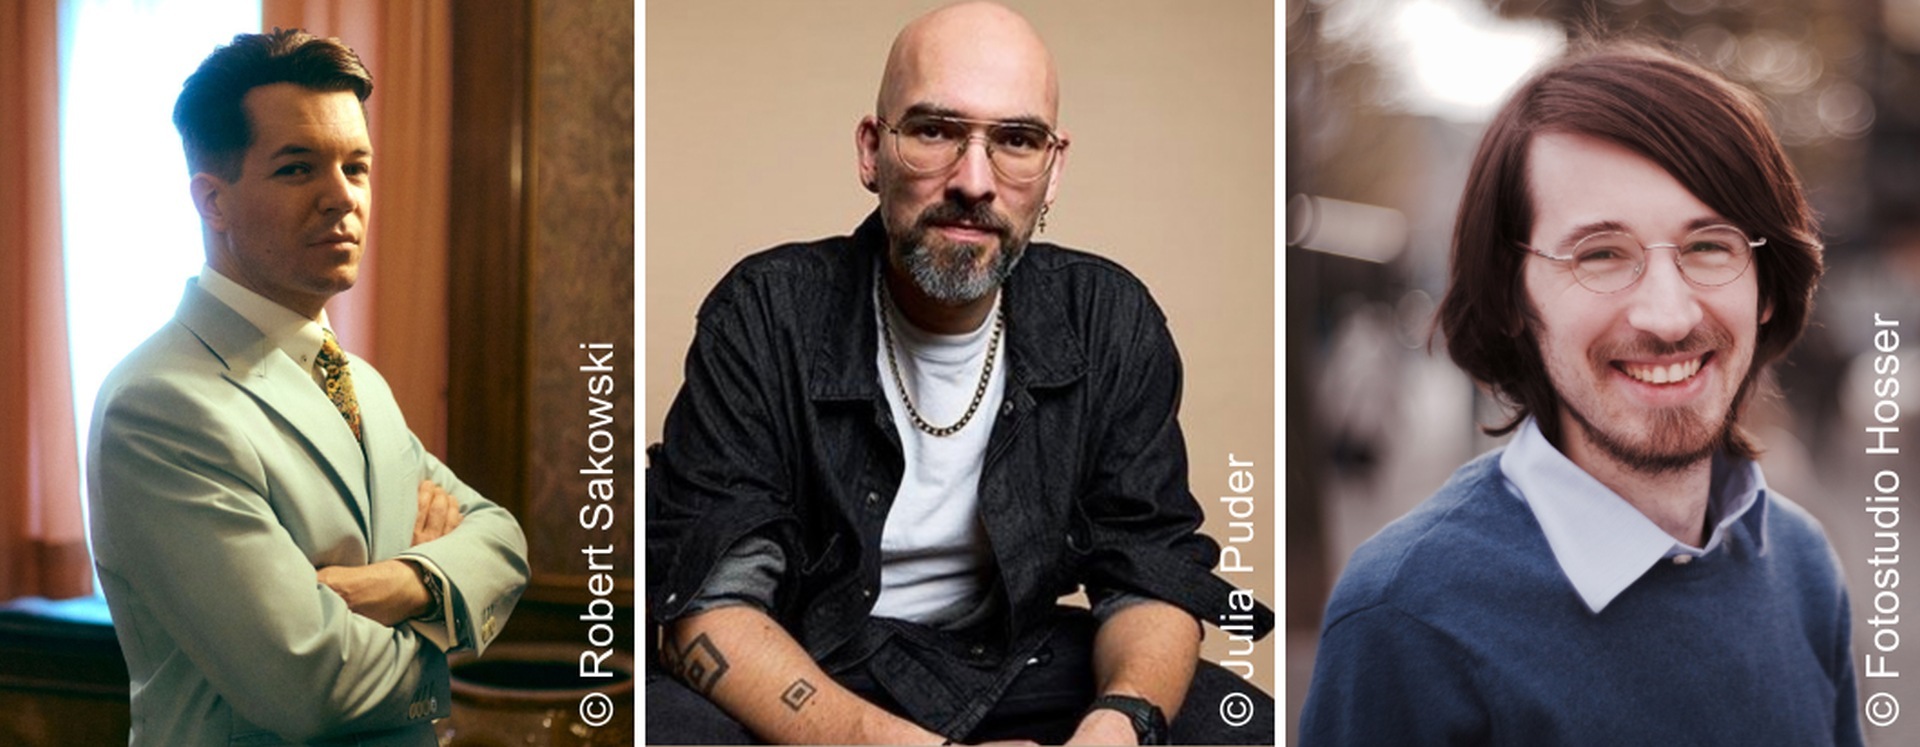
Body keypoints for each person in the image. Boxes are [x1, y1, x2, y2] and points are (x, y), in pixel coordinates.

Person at [645, 2, 1274, 744]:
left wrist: (1118, 724)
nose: (974, 181)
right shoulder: (765, 312)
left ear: (1054, 168)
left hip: (1009, 660)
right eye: (936, 131)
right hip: (808, 665)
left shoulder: (1109, 319)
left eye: (1015, 139)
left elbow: (1149, 572)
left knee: (1241, 725)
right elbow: (709, 609)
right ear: (871, 152)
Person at [1298, 41, 1860, 745]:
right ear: (1510, 296)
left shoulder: (1804, 565)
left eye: (1709, 245)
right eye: (1600, 253)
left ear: (1766, 285)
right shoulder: (1407, 614)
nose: (1669, 314)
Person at [85, 29, 529, 746]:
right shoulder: (160, 402)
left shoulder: (359, 381)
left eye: (357, 166)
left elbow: (503, 540)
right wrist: (449, 630)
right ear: (213, 200)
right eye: (298, 169)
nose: (341, 197)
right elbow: (312, 687)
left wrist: (400, 582)